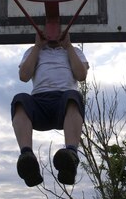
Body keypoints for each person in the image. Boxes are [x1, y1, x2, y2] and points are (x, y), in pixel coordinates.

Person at [11, 30, 89, 187]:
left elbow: (81, 75)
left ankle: (71, 154)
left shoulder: (75, 51)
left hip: (64, 103)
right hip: (39, 103)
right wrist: (37, 46)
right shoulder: (33, 51)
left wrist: (68, 46)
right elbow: (24, 76)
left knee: (73, 96)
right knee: (19, 99)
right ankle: (27, 156)